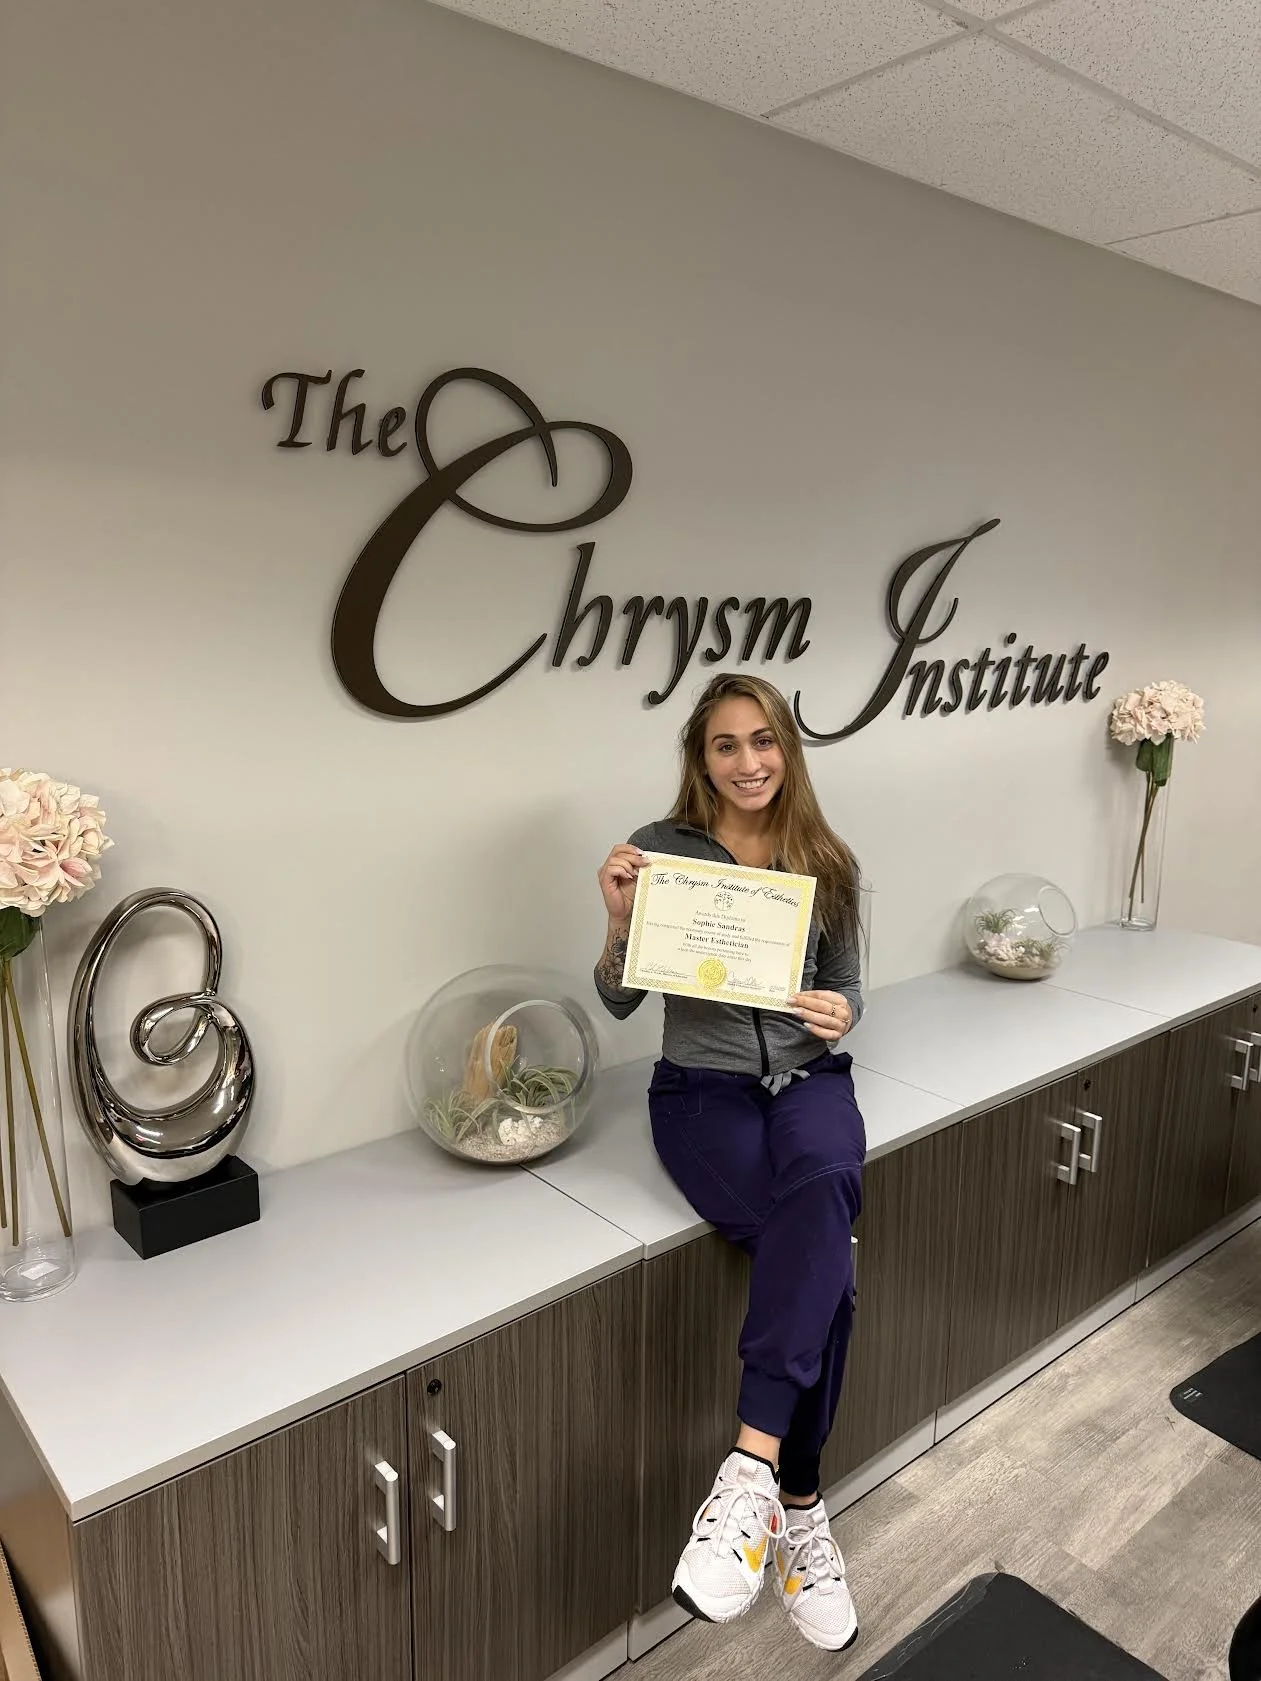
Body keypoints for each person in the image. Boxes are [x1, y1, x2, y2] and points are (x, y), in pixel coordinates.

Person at [594, 672, 866, 1654]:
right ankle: (800, 1504)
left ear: (786, 750)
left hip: (809, 1081)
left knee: (825, 1186)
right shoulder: (660, 852)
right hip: (701, 1095)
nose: (748, 762)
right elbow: (619, 1002)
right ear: (698, 757)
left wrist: (840, 1014)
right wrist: (620, 921)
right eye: (725, 745)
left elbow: (846, 990)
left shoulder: (826, 858)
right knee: (826, 1263)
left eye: (764, 741)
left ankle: (753, 1474)